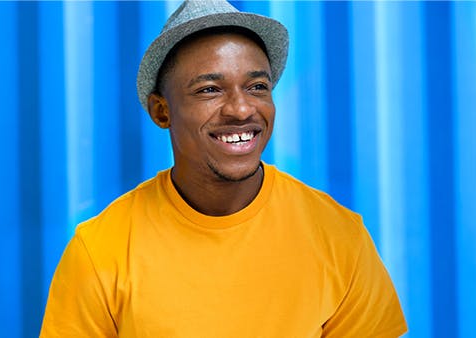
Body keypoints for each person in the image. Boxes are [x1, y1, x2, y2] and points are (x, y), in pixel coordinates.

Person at [40, 0, 408, 337]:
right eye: (209, 90)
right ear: (161, 111)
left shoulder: (340, 239)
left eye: (257, 86)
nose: (241, 109)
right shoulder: (101, 251)